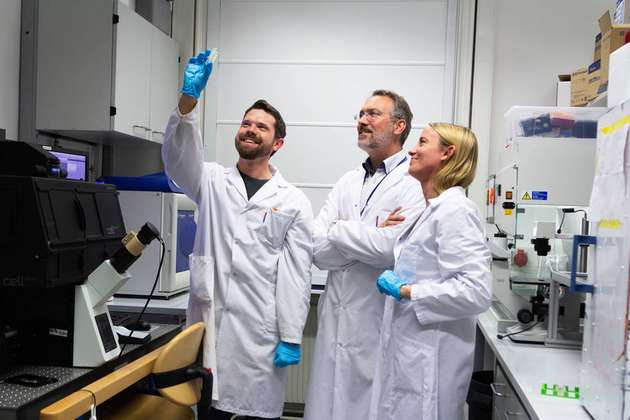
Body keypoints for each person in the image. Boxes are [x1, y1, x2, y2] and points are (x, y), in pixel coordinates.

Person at [162, 51, 313, 420]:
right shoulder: (211, 180)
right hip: (209, 328)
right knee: (209, 411)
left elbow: (296, 274)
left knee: (254, 413)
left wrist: (292, 335)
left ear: (277, 143)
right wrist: (188, 103)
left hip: (258, 336)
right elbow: (177, 157)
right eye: (246, 123)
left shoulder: (292, 201)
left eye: (262, 127)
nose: (250, 129)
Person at [303, 90, 425, 420]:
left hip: (376, 322)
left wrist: (340, 229)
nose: (362, 121)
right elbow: (317, 251)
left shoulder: (414, 183)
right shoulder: (347, 181)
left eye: (372, 114)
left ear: (399, 126)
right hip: (337, 320)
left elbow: (390, 249)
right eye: (360, 114)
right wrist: (368, 233)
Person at [370, 123, 492, 420]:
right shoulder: (431, 210)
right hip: (412, 356)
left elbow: (476, 292)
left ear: (447, 153)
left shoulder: (456, 211)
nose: (412, 149)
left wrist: (408, 291)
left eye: (422, 142)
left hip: (431, 363)